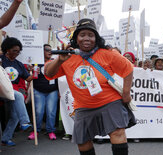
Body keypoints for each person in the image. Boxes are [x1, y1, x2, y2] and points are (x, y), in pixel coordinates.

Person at [44, 18, 136, 155]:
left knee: (117, 132)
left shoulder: (108, 53)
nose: (86, 38)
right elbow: (48, 73)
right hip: (83, 106)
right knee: (82, 141)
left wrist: (126, 93)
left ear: (96, 38)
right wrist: (59, 60)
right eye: (82, 35)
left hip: (110, 102)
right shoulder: (67, 56)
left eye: (91, 35)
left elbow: (128, 69)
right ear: (76, 38)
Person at [1, 37, 32, 146]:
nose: (17, 53)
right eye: (14, 50)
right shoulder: (1, 59)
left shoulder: (19, 64)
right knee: (19, 96)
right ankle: (25, 121)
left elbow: (28, 78)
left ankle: (6, 138)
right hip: (1, 90)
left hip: (11, 92)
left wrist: (34, 72)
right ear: (7, 49)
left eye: (18, 52)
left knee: (15, 115)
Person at [28, 44, 59, 140]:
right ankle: (35, 131)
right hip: (38, 91)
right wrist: (30, 69)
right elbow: (29, 77)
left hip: (52, 91)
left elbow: (59, 77)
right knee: (39, 111)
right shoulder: (36, 63)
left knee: (51, 112)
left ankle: (51, 131)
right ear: (42, 51)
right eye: (47, 49)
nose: (50, 51)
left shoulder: (54, 62)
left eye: (51, 49)